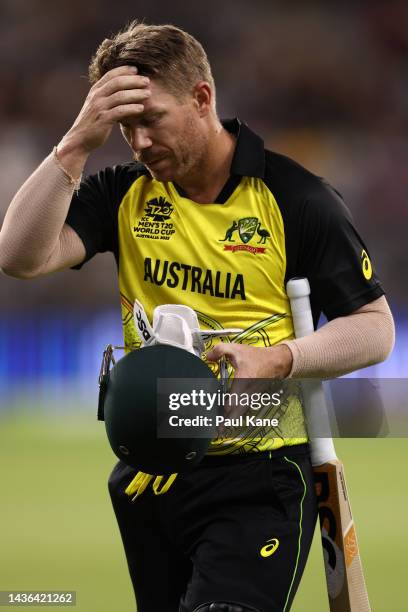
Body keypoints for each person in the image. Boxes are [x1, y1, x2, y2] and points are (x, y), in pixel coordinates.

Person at [0, 21, 394, 612]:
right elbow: (19, 257)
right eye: (124, 126)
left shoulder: (295, 197)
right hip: (149, 474)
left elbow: (375, 328)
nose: (137, 141)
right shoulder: (122, 193)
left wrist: (279, 358)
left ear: (202, 98)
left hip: (260, 476)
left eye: (150, 119)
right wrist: (77, 143)